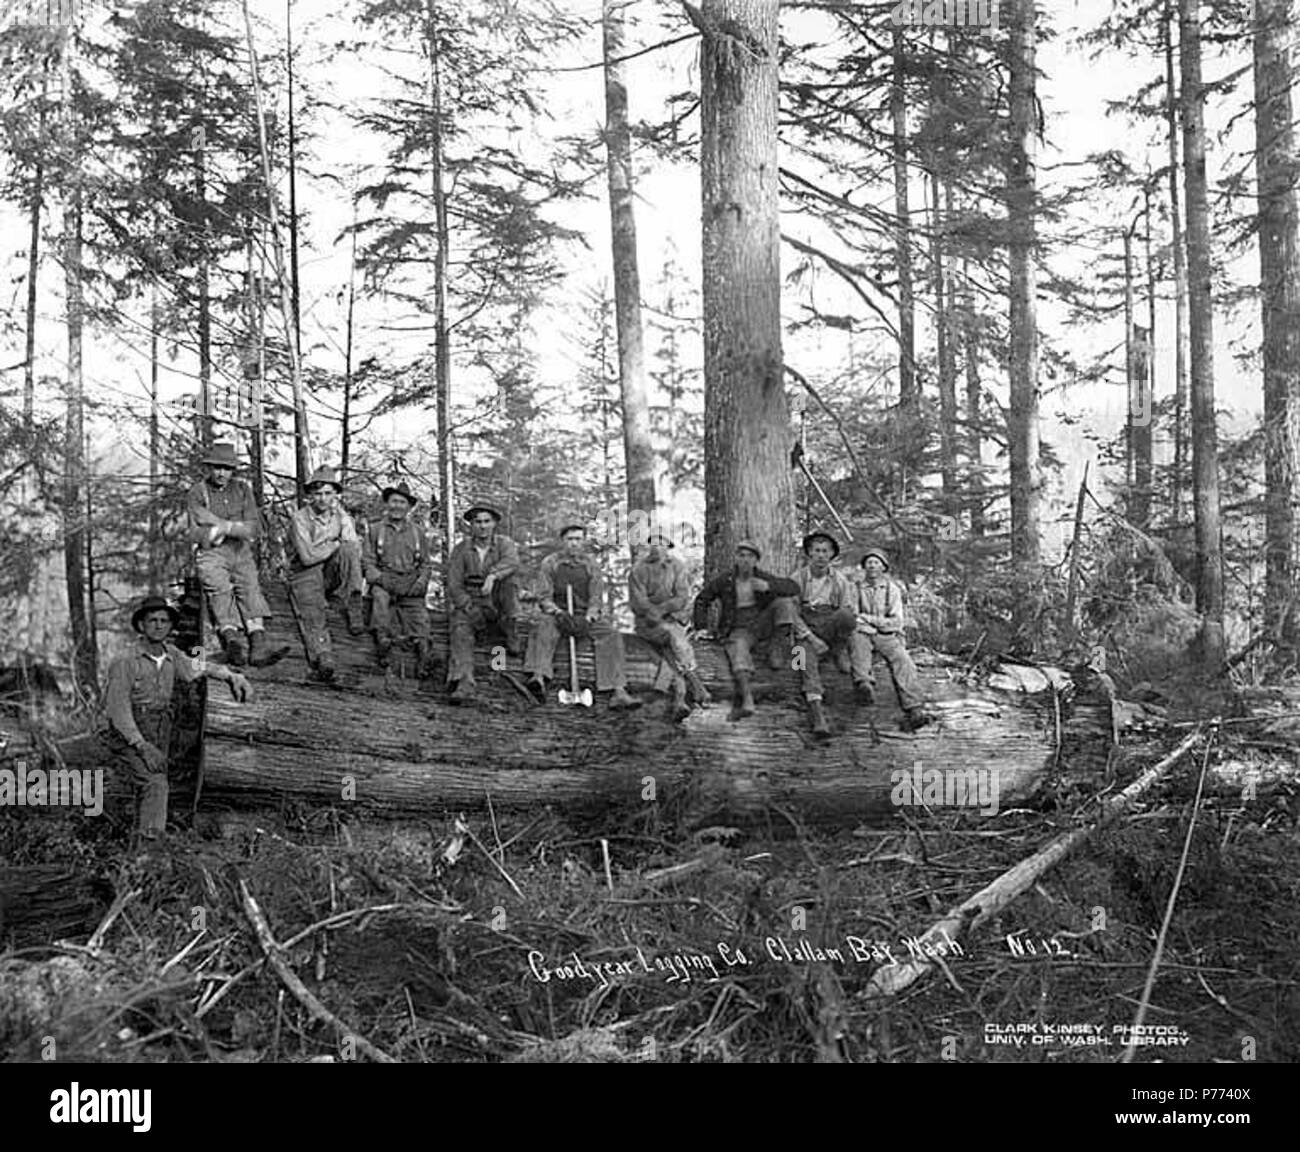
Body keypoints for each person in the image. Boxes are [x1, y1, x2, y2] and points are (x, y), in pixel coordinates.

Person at [102, 595, 250, 845]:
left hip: (160, 729)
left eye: (164, 621)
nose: (158, 625)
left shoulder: (171, 655)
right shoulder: (126, 661)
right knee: (155, 784)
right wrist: (142, 745)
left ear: (170, 626)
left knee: (149, 788)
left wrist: (230, 675)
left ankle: (135, 852)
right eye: (152, 621)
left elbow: (197, 666)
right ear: (141, 625)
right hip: (128, 734)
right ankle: (151, 851)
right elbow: (117, 710)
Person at [185, 441, 284, 667]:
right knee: (219, 590)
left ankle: (258, 646)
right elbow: (193, 532)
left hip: (240, 549)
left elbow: (253, 528)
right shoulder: (198, 492)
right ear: (209, 468)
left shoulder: (242, 490)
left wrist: (221, 525)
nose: (222, 473)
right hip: (212, 551)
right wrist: (215, 533)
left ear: (233, 470)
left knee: (249, 587)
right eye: (217, 468)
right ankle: (233, 643)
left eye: (227, 468)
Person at [525, 524, 641, 710]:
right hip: (558, 614)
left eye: (578, 539)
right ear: (563, 541)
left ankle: (618, 690)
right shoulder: (551, 563)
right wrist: (558, 612)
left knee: (610, 634)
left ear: (584, 541)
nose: (574, 543)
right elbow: (544, 596)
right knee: (543, 627)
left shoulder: (591, 564)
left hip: (583, 616)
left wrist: (589, 617)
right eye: (570, 539)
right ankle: (538, 677)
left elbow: (596, 596)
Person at [692, 540, 799, 719]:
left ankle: (777, 645)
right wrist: (701, 627)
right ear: (735, 558)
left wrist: (769, 587)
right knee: (738, 649)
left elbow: (793, 587)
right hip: (738, 628)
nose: (745, 560)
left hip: (761, 625)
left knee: (785, 603)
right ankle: (747, 699)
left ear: (756, 560)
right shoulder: (726, 580)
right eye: (741, 555)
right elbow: (702, 599)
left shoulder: (763, 578)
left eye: (750, 556)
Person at [791, 530, 873, 737]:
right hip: (804, 634)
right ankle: (817, 714)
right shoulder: (797, 579)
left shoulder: (840, 580)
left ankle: (838, 651)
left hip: (829, 627)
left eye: (825, 551)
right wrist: (810, 638)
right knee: (801, 661)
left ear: (831, 555)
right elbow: (791, 614)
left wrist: (831, 637)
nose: (820, 555)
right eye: (816, 551)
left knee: (846, 616)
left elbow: (848, 609)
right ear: (809, 554)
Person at [287, 466, 365, 682]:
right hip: (305, 571)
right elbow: (307, 558)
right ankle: (322, 654)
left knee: (348, 550)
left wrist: (335, 546)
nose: (323, 499)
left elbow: (352, 549)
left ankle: (355, 603)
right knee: (311, 606)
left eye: (328, 493)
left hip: (329, 573)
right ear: (311, 495)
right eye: (318, 493)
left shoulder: (341, 517)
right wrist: (332, 545)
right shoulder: (300, 518)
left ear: (335, 495)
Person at [446, 502, 523, 703]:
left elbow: (513, 562)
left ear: (494, 524)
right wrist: (468, 607)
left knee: (510, 583)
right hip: (473, 599)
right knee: (460, 629)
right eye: (477, 522)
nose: (482, 526)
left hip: (499, 601)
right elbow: (454, 584)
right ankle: (464, 681)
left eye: (487, 521)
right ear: (471, 525)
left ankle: (510, 631)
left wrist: (493, 576)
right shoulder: (461, 549)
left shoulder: (504, 544)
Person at [629, 531, 710, 723]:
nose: (658, 548)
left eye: (662, 544)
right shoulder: (638, 570)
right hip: (648, 623)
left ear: (668, 548)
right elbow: (638, 602)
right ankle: (696, 684)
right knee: (673, 637)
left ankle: (679, 696)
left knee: (670, 648)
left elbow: (682, 596)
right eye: (653, 544)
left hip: (670, 618)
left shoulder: (677, 567)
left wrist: (664, 608)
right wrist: (653, 613)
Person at [363, 481, 436, 676]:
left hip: (409, 582)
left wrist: (420, 583)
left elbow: (426, 565)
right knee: (379, 601)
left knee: (420, 618)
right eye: (393, 501)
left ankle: (423, 657)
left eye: (402, 502)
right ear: (387, 504)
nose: (397, 506)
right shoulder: (375, 529)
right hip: (384, 581)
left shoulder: (418, 532)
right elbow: (367, 563)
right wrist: (380, 580)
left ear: (409, 507)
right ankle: (382, 643)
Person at [856, 547, 932, 731]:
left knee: (903, 661)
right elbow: (853, 616)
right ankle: (864, 685)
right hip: (863, 632)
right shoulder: (856, 588)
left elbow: (896, 622)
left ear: (883, 567)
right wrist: (868, 624)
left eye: (876, 563)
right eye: (869, 563)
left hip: (886, 636)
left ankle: (914, 707)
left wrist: (871, 620)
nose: (872, 566)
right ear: (864, 567)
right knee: (857, 645)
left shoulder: (892, 590)